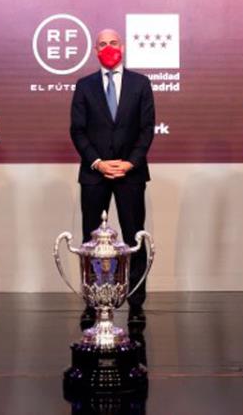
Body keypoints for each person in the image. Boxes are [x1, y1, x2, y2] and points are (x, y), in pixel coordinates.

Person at [69, 28, 156, 326]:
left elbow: (147, 129)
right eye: (103, 44)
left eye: (113, 43)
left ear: (124, 46)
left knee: (134, 237)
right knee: (91, 240)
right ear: (95, 51)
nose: (109, 48)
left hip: (130, 174)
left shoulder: (141, 84)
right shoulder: (84, 85)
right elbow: (77, 130)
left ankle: (135, 299)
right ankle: (95, 298)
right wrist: (98, 162)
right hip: (94, 174)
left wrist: (129, 164)